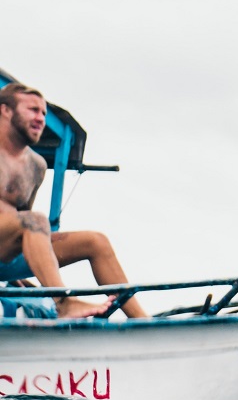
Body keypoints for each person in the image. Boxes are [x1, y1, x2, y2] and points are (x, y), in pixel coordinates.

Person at [0, 82, 147, 319]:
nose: (40, 118)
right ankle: (64, 302)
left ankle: (143, 322)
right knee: (34, 220)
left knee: (95, 241)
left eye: (43, 113)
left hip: (5, 251)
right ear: (5, 110)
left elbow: (19, 218)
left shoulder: (36, 166)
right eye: (32, 110)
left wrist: (17, 276)